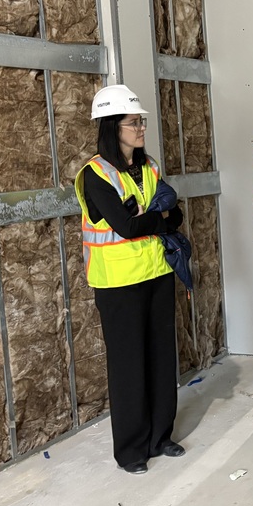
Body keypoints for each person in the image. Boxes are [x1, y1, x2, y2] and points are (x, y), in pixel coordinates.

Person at [75, 84, 187, 474]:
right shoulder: (95, 175)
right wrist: (158, 218)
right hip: (118, 283)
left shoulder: (149, 166)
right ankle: (131, 450)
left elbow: (175, 213)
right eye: (133, 123)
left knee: (161, 358)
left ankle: (160, 437)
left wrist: (156, 217)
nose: (141, 129)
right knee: (128, 365)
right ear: (112, 126)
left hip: (157, 272)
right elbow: (126, 227)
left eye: (141, 122)